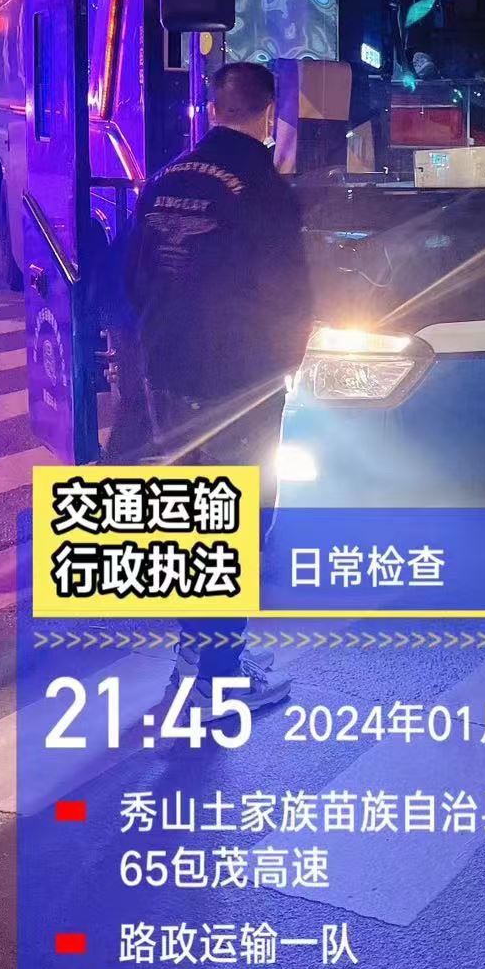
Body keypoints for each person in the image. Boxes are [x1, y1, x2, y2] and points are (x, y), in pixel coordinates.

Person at [125, 61, 314, 716]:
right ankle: (219, 678)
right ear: (269, 114)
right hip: (239, 382)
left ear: (211, 109)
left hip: (169, 375)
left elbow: (135, 279)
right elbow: (290, 297)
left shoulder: (165, 177)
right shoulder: (262, 185)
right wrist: (283, 367)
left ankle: (195, 656)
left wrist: (159, 352)